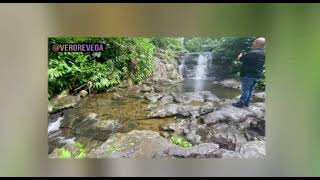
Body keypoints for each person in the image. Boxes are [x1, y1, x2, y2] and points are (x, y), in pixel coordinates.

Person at [232, 37, 266, 108]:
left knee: (245, 90)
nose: (252, 43)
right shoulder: (263, 53)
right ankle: (247, 103)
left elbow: (241, 59)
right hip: (256, 75)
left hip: (248, 75)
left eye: (254, 42)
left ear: (257, 44)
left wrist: (240, 55)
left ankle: (241, 103)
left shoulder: (252, 53)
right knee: (250, 90)